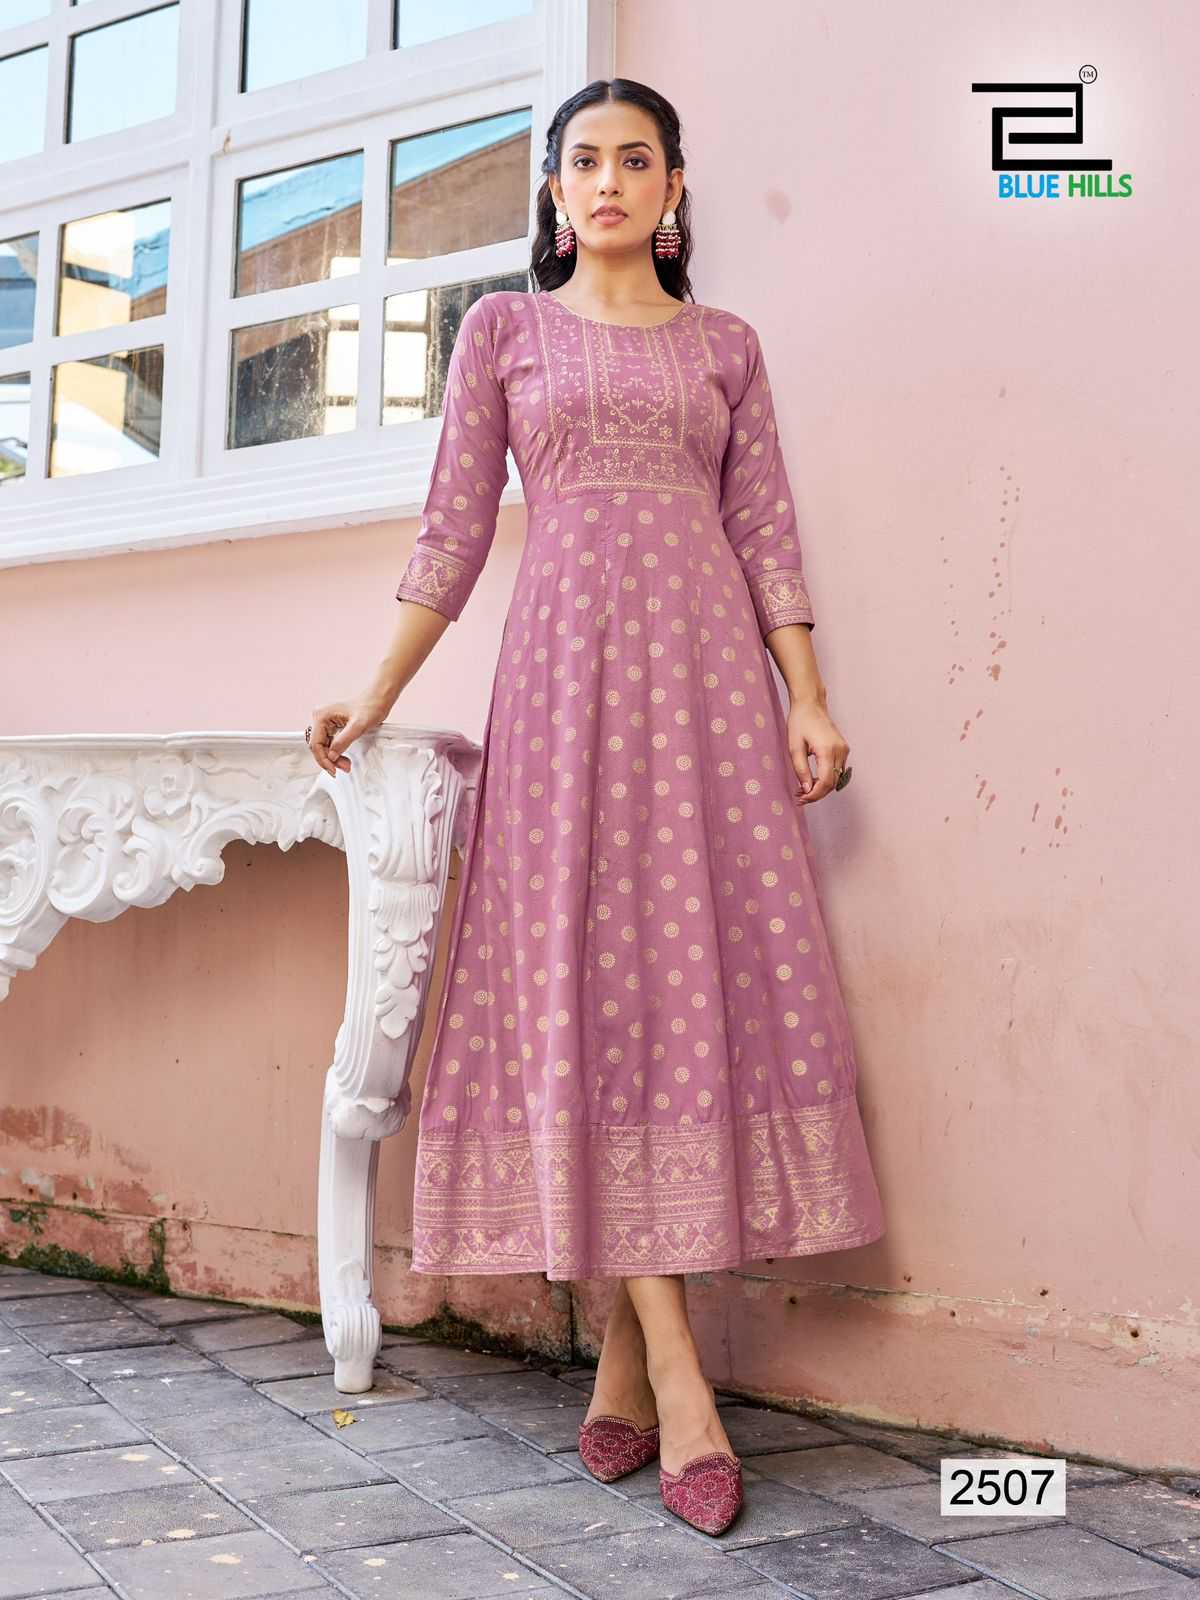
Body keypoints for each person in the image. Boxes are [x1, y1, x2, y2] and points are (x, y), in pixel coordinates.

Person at [306, 77, 885, 1538]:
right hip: (563, 693)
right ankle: (684, 1383)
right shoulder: (503, 335)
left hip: (706, 694)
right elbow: (451, 533)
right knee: (585, 999)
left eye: (638, 160)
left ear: (675, 187)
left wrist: (808, 699)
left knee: (684, 999)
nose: (611, 180)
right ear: (555, 192)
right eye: (585, 161)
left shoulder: (727, 347)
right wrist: (371, 694)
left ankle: (627, 1359)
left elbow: (765, 534)